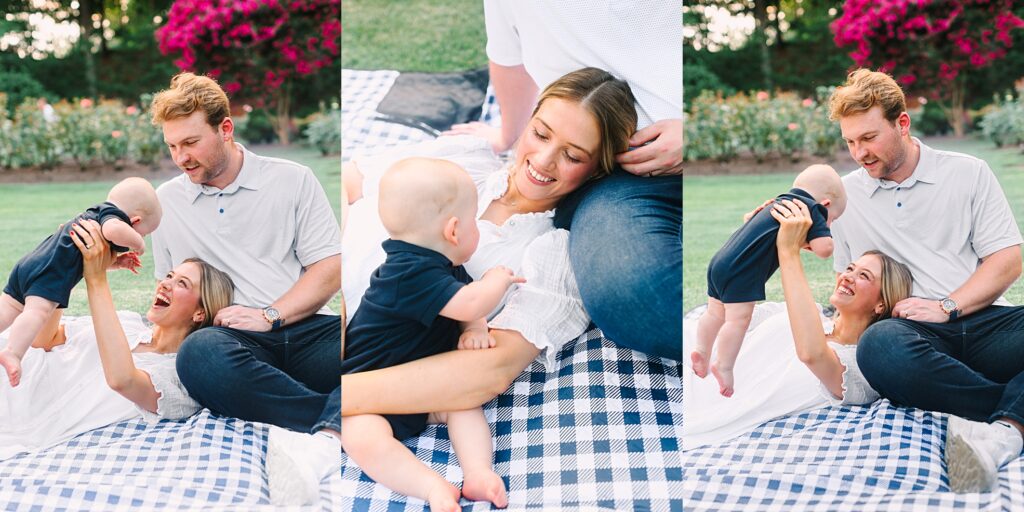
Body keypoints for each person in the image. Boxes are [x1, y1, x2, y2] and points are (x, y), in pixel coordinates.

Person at [340, 67, 637, 440]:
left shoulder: (554, 251)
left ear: (598, 169)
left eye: (572, 156)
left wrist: (337, 394)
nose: (543, 160)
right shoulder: (462, 157)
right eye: (540, 133)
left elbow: (490, 370)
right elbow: (348, 181)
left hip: (364, 366)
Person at [443, 1, 683, 359]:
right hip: (619, 172)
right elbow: (508, 52)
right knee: (635, 295)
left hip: (682, 137)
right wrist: (509, 134)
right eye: (538, 135)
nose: (541, 159)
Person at [146, 73, 343, 505]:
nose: (181, 157)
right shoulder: (168, 201)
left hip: (306, 329)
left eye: (191, 143)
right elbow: (171, 287)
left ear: (225, 129)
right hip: (230, 345)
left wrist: (270, 315)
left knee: (390, 338)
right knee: (199, 357)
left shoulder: (292, 179)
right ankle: (335, 424)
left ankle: (322, 427)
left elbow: (330, 267)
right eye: (172, 146)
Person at [827, 69, 1024, 493]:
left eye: (869, 137)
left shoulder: (967, 172)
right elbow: (848, 282)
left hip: (984, 321)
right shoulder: (846, 197)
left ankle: (1001, 435)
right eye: (850, 142)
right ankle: (1009, 414)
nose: (859, 153)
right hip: (910, 338)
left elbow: (1007, 260)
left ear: (902, 123)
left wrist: (947, 306)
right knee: (878, 347)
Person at [343, 157, 522, 512]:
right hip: (369, 391)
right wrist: (497, 280)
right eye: (475, 223)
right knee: (360, 436)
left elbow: (467, 311)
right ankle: (429, 486)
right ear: (453, 230)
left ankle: (478, 472)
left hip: (422, 391)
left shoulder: (442, 267)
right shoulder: (407, 273)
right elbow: (471, 302)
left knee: (463, 404)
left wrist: (473, 329)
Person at [682, 199, 913, 449]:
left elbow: (811, 354)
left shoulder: (859, 368)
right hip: (691, 358)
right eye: (850, 268)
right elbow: (731, 313)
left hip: (705, 406)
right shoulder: (808, 313)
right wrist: (756, 237)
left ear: (881, 303)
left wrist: (789, 251)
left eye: (863, 276)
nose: (847, 276)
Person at [0, 220, 233, 460]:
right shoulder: (127, 322)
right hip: (15, 373)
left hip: (23, 415)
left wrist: (96, 277)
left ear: (200, 313)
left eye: (181, 283)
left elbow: (122, 379)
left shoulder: (178, 377)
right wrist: (70, 267)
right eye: (170, 276)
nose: (165, 283)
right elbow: (44, 340)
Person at [692, 165, 846, 397]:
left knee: (715, 313)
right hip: (741, 273)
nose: (828, 224)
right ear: (825, 205)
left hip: (719, 262)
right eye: (832, 219)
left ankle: (701, 352)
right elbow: (824, 249)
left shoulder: (777, 202)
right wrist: (823, 236)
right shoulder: (813, 208)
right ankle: (723, 365)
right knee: (738, 320)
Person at [0, 177, 161, 387]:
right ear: (135, 221)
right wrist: (138, 243)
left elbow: (87, 259)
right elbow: (113, 231)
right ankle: (13, 352)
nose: (140, 237)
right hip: (50, 273)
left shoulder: (95, 214)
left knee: (8, 308)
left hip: (31, 263)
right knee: (36, 312)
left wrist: (117, 262)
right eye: (144, 233)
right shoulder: (114, 219)